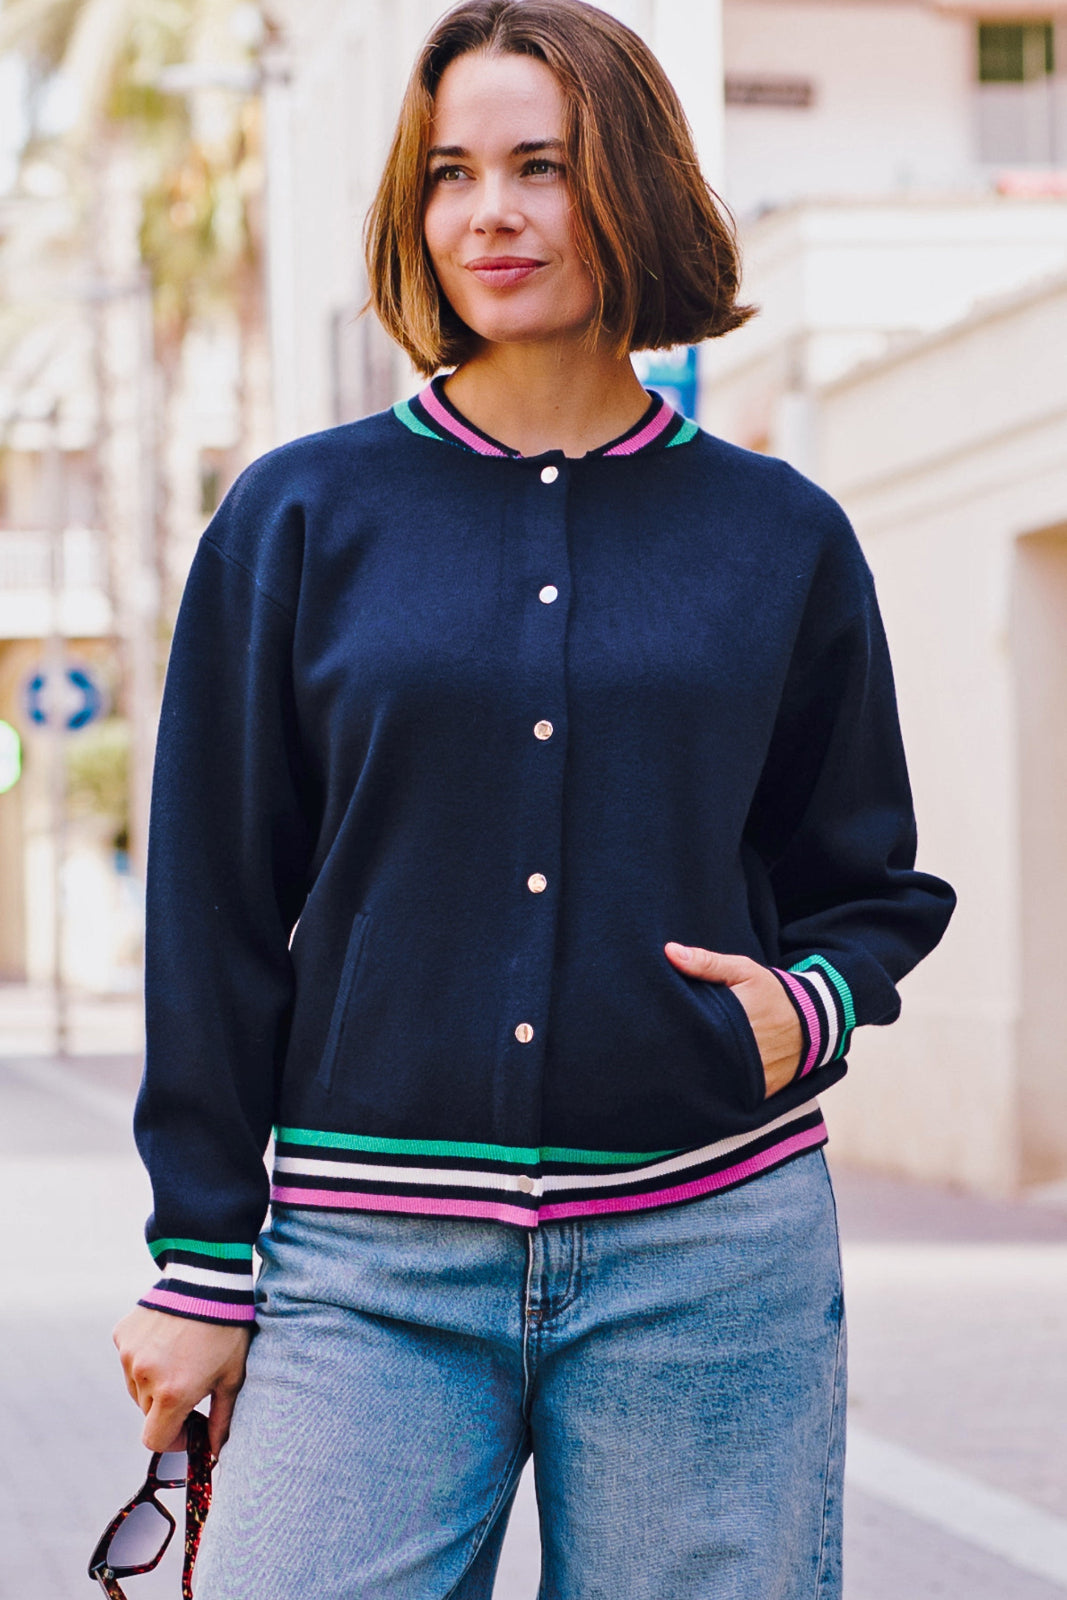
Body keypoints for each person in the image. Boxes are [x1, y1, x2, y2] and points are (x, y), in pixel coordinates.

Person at [113, 2, 956, 1595]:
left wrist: (811, 1007)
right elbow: (213, 908)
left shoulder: (778, 534)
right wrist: (201, 1260)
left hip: (707, 1254)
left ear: (632, 184)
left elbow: (868, 883)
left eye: (542, 167)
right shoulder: (298, 517)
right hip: (365, 1269)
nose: (489, 214)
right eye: (452, 173)